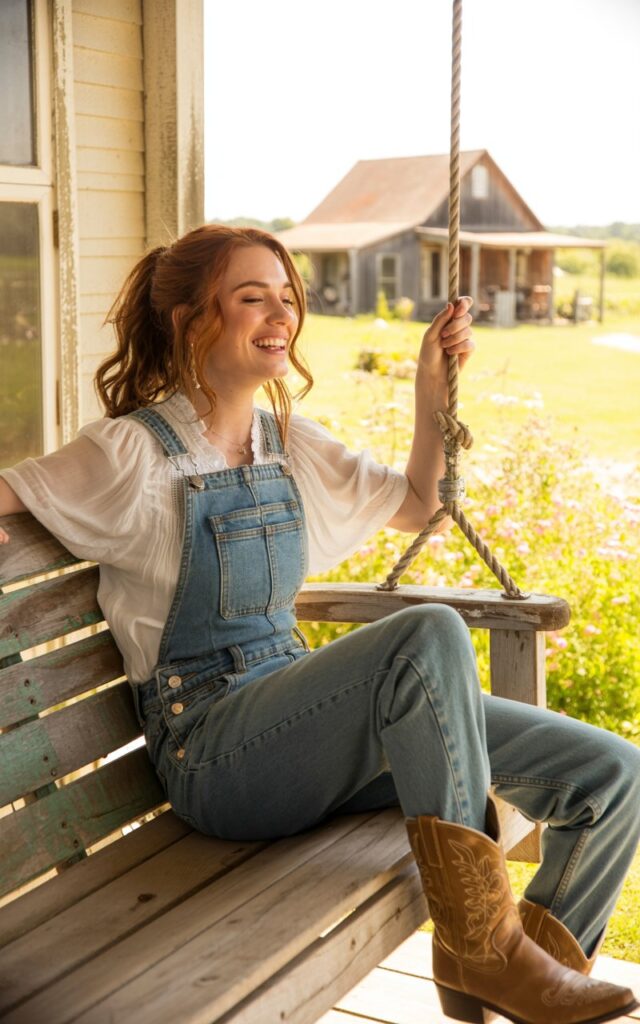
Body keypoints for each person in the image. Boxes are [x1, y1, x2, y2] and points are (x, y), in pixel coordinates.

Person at [0, 225, 638, 1024]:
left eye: (288, 295)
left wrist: (432, 386)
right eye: (250, 296)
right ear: (191, 318)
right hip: (213, 754)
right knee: (427, 630)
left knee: (613, 776)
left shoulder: (288, 446)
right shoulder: (131, 454)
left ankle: (515, 972)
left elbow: (418, 506)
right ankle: (482, 951)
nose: (281, 313)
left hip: (298, 731)